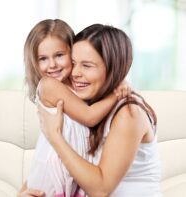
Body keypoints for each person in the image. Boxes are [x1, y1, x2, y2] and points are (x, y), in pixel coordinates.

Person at [37, 24, 161, 197]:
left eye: (87, 66)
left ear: (113, 68)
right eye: (73, 63)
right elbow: (47, 160)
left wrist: (55, 136)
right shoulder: (87, 106)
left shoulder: (128, 114)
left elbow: (101, 189)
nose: (75, 73)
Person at [21, 19, 130, 197]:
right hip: (50, 182)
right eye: (43, 59)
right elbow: (89, 116)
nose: (52, 64)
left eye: (59, 55)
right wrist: (117, 93)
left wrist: (117, 80)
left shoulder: (79, 86)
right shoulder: (48, 86)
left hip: (73, 181)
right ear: (34, 62)